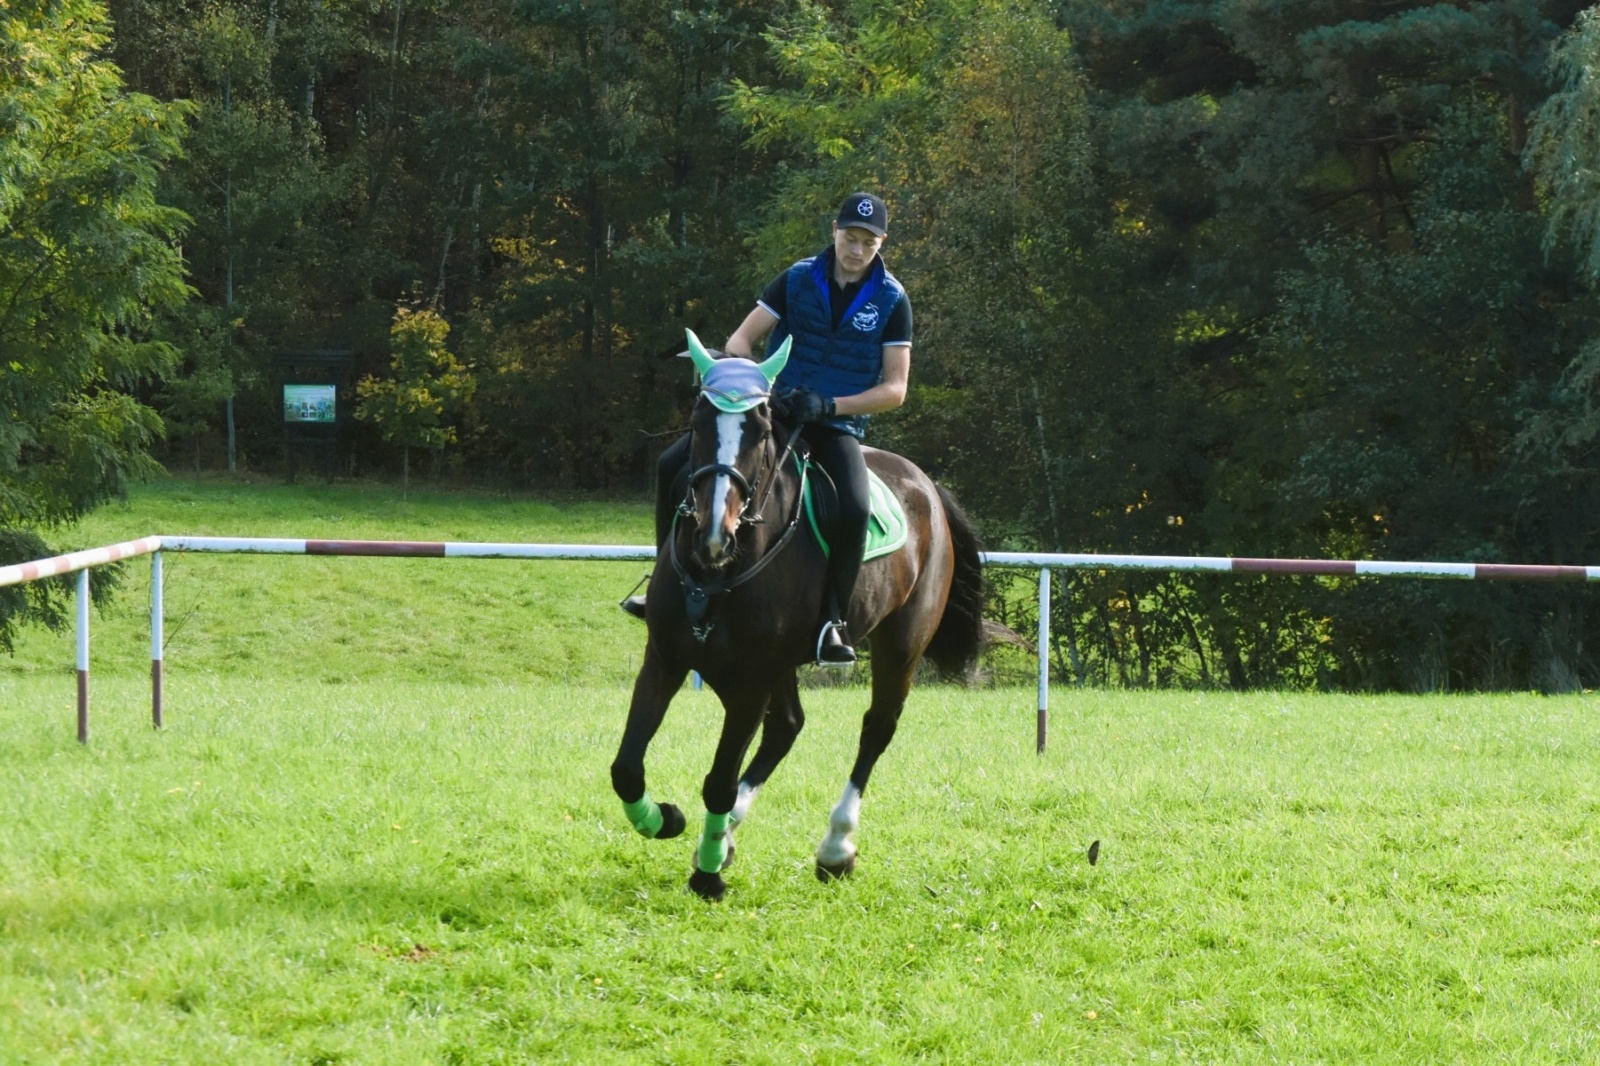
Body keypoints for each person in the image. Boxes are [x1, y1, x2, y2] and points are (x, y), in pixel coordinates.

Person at [623, 191, 912, 666]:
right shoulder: (797, 279)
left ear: (880, 244)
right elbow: (739, 340)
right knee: (671, 464)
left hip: (835, 425)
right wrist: (763, 390)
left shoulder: (892, 300)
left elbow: (896, 389)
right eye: (850, 237)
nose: (856, 250)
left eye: (868, 242)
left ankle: (832, 622)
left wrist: (831, 404)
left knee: (856, 507)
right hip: (773, 413)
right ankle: (665, 587)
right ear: (833, 231)